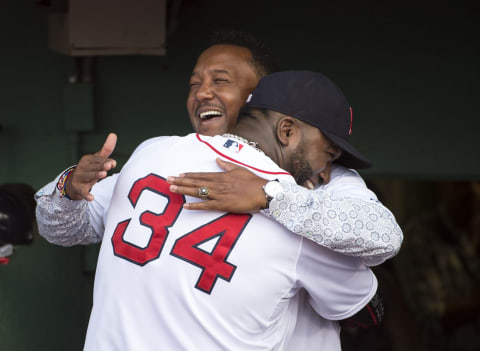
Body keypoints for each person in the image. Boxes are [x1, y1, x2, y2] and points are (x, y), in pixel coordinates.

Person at [35, 30, 402, 266]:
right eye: (195, 84)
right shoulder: (162, 160)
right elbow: (62, 230)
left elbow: (383, 237)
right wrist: (69, 189)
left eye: (220, 82)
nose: (202, 93)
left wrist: (270, 195)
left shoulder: (324, 178)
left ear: (261, 100)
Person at [80, 71, 379, 350]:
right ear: (287, 131)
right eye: (327, 155)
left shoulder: (153, 152)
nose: (325, 171)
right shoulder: (298, 221)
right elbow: (366, 312)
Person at [393, 181, 480, 351]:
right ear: (445, 185)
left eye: (477, 181)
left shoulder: (473, 237)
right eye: (461, 183)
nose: (472, 190)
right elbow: (428, 316)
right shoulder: (420, 236)